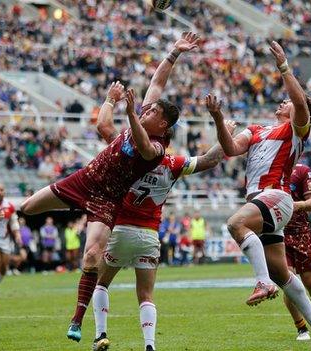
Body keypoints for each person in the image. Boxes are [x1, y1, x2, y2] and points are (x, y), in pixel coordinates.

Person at [20, 32, 196, 343]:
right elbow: (110, 120)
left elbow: (141, 143)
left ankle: (77, 322)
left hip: (107, 199)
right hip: (83, 180)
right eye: (147, 110)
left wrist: (129, 113)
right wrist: (173, 53)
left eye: (153, 113)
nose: (148, 110)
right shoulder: (142, 121)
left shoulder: (156, 148)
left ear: (163, 127)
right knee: (27, 208)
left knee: (91, 258)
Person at [91, 75, 234, 350]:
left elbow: (104, 126)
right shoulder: (172, 163)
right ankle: (149, 345)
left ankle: (100, 334)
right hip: (149, 234)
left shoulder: (130, 151)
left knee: (101, 283)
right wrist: (225, 129)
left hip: (120, 228)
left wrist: (112, 100)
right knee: (146, 295)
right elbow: (210, 160)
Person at [208, 41, 311, 344]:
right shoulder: (257, 129)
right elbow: (231, 149)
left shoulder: (296, 129)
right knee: (282, 273)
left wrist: (284, 67)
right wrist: (219, 120)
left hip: (277, 196)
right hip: (262, 201)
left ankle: (261, 283)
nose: (282, 103)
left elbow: (300, 104)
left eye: (286, 103)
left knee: (236, 224)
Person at [281, 164, 311, 341]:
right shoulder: (268, 169)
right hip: (278, 234)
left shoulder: (302, 171)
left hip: (301, 234)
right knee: (288, 282)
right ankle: (301, 327)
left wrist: (297, 205)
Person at [0, 183, 22, 300]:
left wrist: (17, 234)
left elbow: (14, 221)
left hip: (5, 239)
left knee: (4, 267)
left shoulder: (9, 205)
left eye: (1, 190)